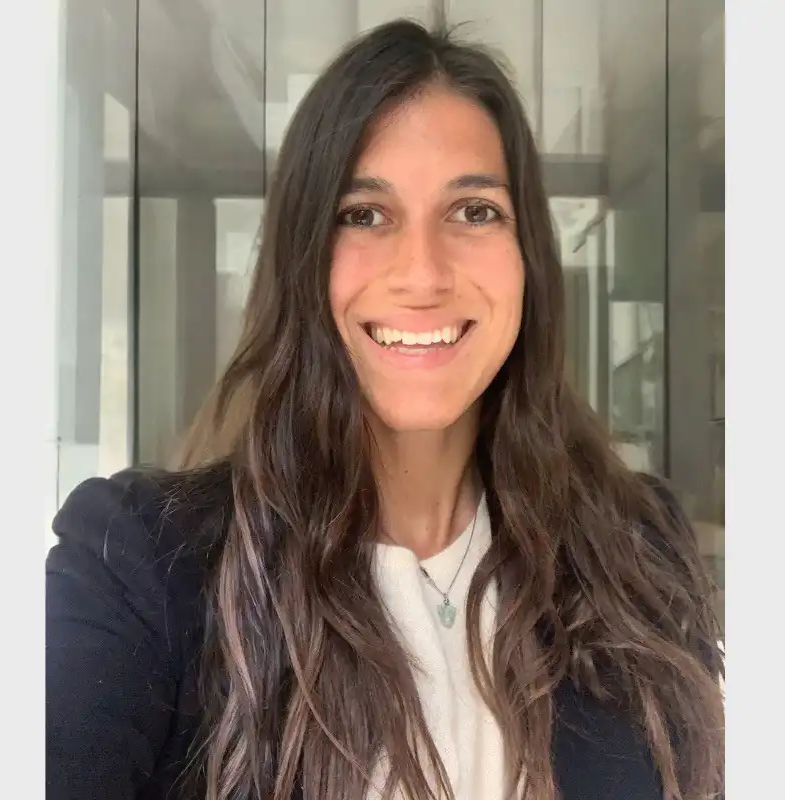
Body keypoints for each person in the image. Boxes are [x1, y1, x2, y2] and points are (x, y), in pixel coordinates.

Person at [46, 19, 724, 800]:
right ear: (303, 258)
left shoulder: (636, 551)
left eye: (474, 211)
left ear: (528, 257)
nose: (422, 274)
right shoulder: (137, 563)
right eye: (364, 214)